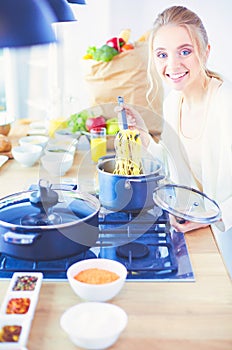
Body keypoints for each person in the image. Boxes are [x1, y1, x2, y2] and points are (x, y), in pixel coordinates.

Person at [118, 5, 232, 233]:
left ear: (206, 51)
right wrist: (143, 134)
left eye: (185, 51)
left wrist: (214, 216)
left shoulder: (225, 103)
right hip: (199, 227)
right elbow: (174, 165)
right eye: (162, 55)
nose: (173, 65)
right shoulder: (173, 102)